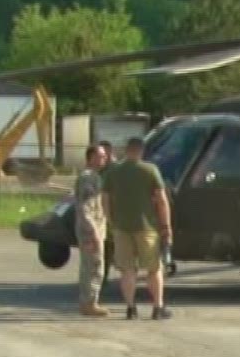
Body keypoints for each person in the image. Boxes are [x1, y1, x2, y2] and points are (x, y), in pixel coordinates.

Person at [102, 136, 173, 320]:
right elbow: (161, 200)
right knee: (153, 268)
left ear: (126, 150)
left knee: (127, 270)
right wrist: (166, 225)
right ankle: (157, 307)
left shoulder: (113, 171)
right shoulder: (150, 170)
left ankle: (130, 307)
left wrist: (111, 221)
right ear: (141, 151)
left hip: (121, 227)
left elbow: (105, 199)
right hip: (147, 227)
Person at [72, 143, 111, 317]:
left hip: (95, 227)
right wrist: (93, 232)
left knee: (91, 265)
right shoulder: (88, 178)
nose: (105, 158)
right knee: (94, 266)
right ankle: (89, 302)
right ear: (91, 157)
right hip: (90, 229)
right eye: (101, 155)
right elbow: (85, 207)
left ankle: (88, 301)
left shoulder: (95, 176)